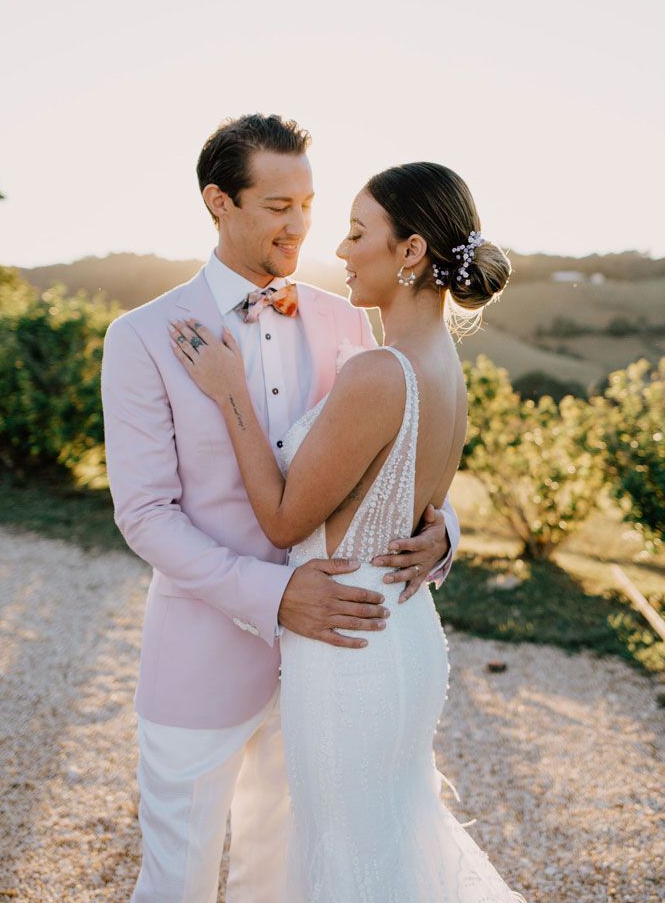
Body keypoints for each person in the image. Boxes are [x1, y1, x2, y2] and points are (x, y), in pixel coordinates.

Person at [100, 115, 459, 903]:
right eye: (275, 206)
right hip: (200, 662)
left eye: (309, 204)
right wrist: (274, 596)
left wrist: (441, 534)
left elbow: (387, 448)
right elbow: (146, 515)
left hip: (327, 670)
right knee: (177, 883)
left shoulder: (344, 320)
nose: (300, 227)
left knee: (286, 881)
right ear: (218, 202)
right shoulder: (143, 336)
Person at [169, 159, 529, 902]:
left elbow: (282, 518)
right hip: (402, 629)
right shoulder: (447, 369)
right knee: (391, 837)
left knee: (349, 854)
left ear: (410, 252)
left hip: (346, 646)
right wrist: (448, 535)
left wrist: (231, 391)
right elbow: (416, 507)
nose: (339, 249)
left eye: (359, 232)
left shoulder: (379, 373)